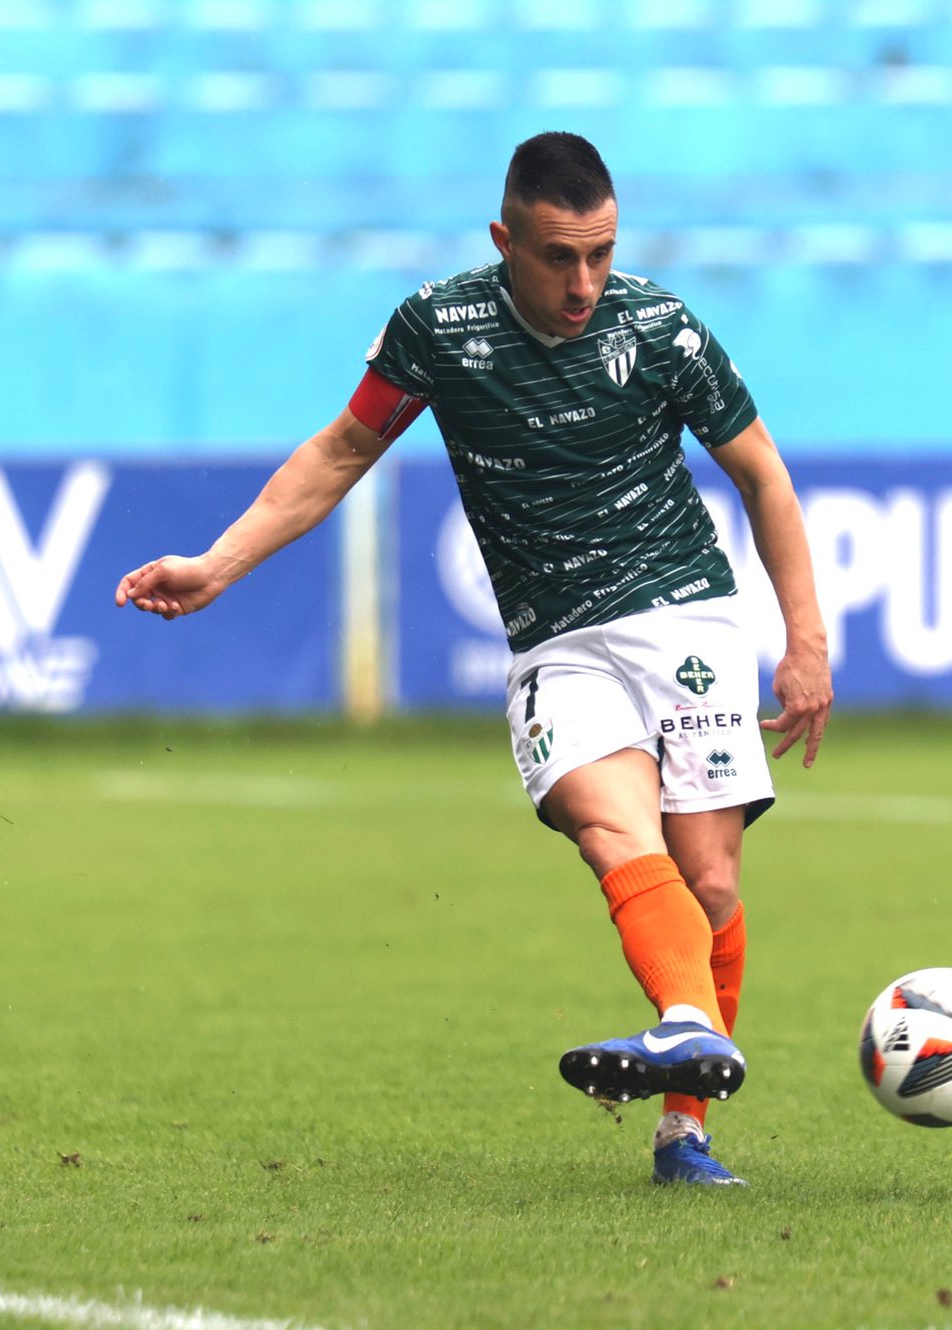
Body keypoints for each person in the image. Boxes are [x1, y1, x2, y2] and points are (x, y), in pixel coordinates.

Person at [116, 132, 832, 1188]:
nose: (582, 282)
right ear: (504, 240)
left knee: (711, 879)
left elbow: (761, 475)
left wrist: (805, 639)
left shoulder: (661, 328)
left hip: (687, 618)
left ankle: (683, 1127)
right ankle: (686, 1027)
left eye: (599, 254)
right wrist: (220, 564)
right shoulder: (437, 327)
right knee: (607, 831)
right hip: (557, 643)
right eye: (556, 257)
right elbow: (340, 450)